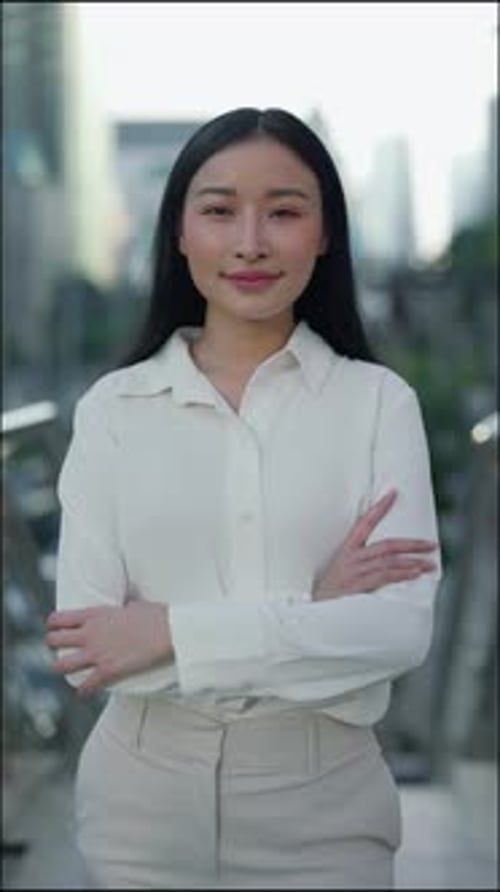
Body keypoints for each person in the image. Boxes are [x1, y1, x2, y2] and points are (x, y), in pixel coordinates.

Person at [46, 107, 441, 890]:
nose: (251, 242)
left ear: (325, 235)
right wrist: (312, 607)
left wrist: (166, 632)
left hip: (325, 811)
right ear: (179, 231)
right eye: (220, 210)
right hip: (139, 808)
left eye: (284, 212)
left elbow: (398, 632)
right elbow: (87, 654)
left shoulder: (379, 403)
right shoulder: (114, 410)